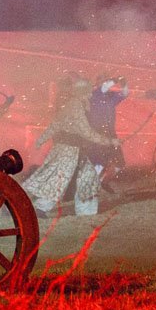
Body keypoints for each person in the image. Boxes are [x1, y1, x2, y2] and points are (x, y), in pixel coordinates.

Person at [22, 77, 115, 217]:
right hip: (68, 150)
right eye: (88, 92)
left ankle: (86, 211)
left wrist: (41, 140)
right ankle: (35, 206)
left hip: (75, 150)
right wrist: (109, 141)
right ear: (82, 92)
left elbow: (56, 124)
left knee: (87, 176)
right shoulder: (75, 106)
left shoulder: (78, 104)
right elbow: (85, 131)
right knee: (57, 179)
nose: (91, 94)